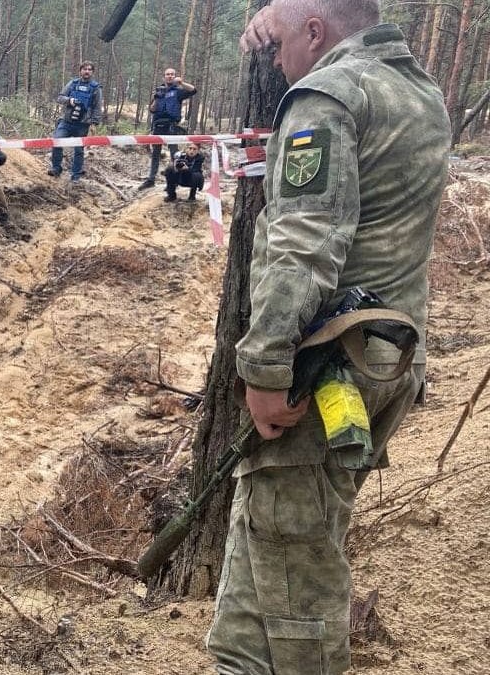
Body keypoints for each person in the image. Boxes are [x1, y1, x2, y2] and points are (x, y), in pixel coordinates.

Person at [206, 1, 449, 673]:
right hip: (390, 357)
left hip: (324, 366)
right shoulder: (417, 92)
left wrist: (264, 369)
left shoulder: (328, 95)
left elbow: (303, 247)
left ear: (315, 33)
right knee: (271, 541)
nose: (278, 62)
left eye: (281, 45)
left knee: (297, 576)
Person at [139, 67, 196, 189]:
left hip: (171, 126)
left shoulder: (178, 91)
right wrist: (156, 98)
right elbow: (152, 109)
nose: (170, 76)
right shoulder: (159, 91)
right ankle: (151, 179)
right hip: (158, 126)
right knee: (155, 153)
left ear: (174, 76)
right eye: (167, 74)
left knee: (174, 154)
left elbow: (193, 90)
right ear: (164, 77)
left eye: (172, 74)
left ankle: (174, 181)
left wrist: (181, 83)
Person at [48, 61, 103, 183]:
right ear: (80, 71)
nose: (87, 71)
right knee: (56, 141)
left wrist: (94, 124)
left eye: (89, 69)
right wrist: (70, 100)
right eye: (85, 69)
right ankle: (56, 168)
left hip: (83, 124)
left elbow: (97, 107)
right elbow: (60, 97)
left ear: (92, 72)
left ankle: (75, 176)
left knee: (79, 150)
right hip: (66, 121)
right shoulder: (72, 83)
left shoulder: (96, 88)